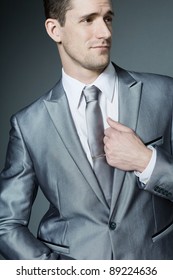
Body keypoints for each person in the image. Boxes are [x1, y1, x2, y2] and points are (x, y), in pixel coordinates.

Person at [0, 0, 173, 260]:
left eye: (108, 18)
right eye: (88, 20)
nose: (105, 32)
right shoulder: (28, 125)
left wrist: (146, 162)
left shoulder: (164, 94)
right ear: (54, 29)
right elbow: (6, 224)